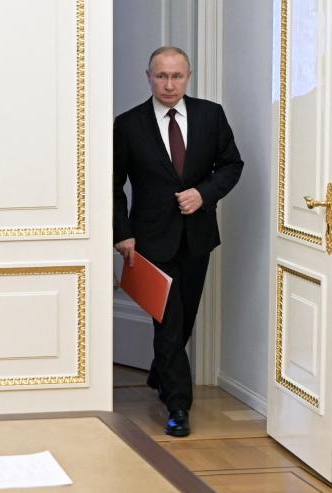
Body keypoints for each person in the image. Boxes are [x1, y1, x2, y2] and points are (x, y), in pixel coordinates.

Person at [113, 46, 243, 437]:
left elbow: (232, 165)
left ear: (188, 76)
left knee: (184, 318)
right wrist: (122, 233)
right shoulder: (128, 124)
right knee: (167, 323)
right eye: (161, 76)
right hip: (150, 240)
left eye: (177, 76)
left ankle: (159, 373)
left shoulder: (210, 115)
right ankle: (178, 406)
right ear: (148, 76)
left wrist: (204, 193)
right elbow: (112, 184)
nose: (169, 85)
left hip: (197, 236)